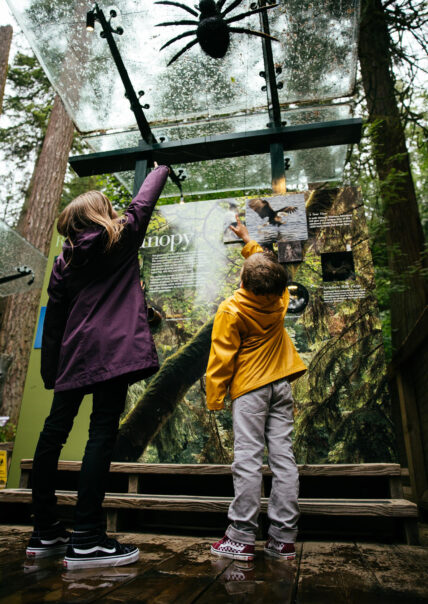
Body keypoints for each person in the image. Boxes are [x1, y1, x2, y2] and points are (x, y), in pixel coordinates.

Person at [26, 164, 169, 570]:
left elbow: (54, 321)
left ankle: (45, 531)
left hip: (73, 355)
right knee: (101, 432)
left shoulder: (63, 261)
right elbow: (145, 198)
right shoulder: (120, 238)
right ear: (99, 214)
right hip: (114, 353)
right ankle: (87, 536)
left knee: (53, 432)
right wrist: (160, 167)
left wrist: (50, 372)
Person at [206, 216, 307, 561]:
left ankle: (241, 536)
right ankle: (283, 539)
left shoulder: (231, 309)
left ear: (243, 281)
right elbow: (265, 266)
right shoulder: (279, 300)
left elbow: (221, 359)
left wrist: (216, 398)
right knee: (283, 458)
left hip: (250, 390)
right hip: (281, 386)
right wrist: (249, 240)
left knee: (247, 460)